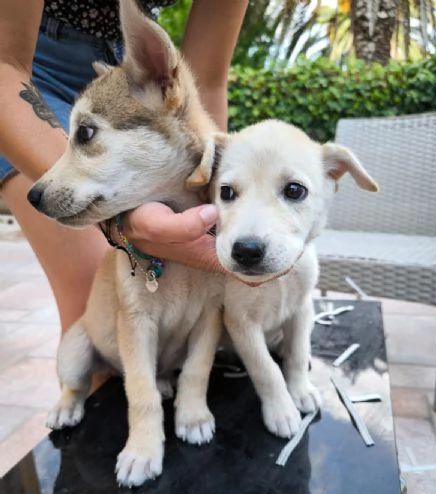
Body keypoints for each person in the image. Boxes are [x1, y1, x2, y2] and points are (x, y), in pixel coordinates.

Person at [0, 0, 249, 335]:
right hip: (26, 63)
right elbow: (4, 65)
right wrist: (122, 221)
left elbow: (203, 86)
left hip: (130, 74)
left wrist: (213, 197)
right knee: (101, 313)